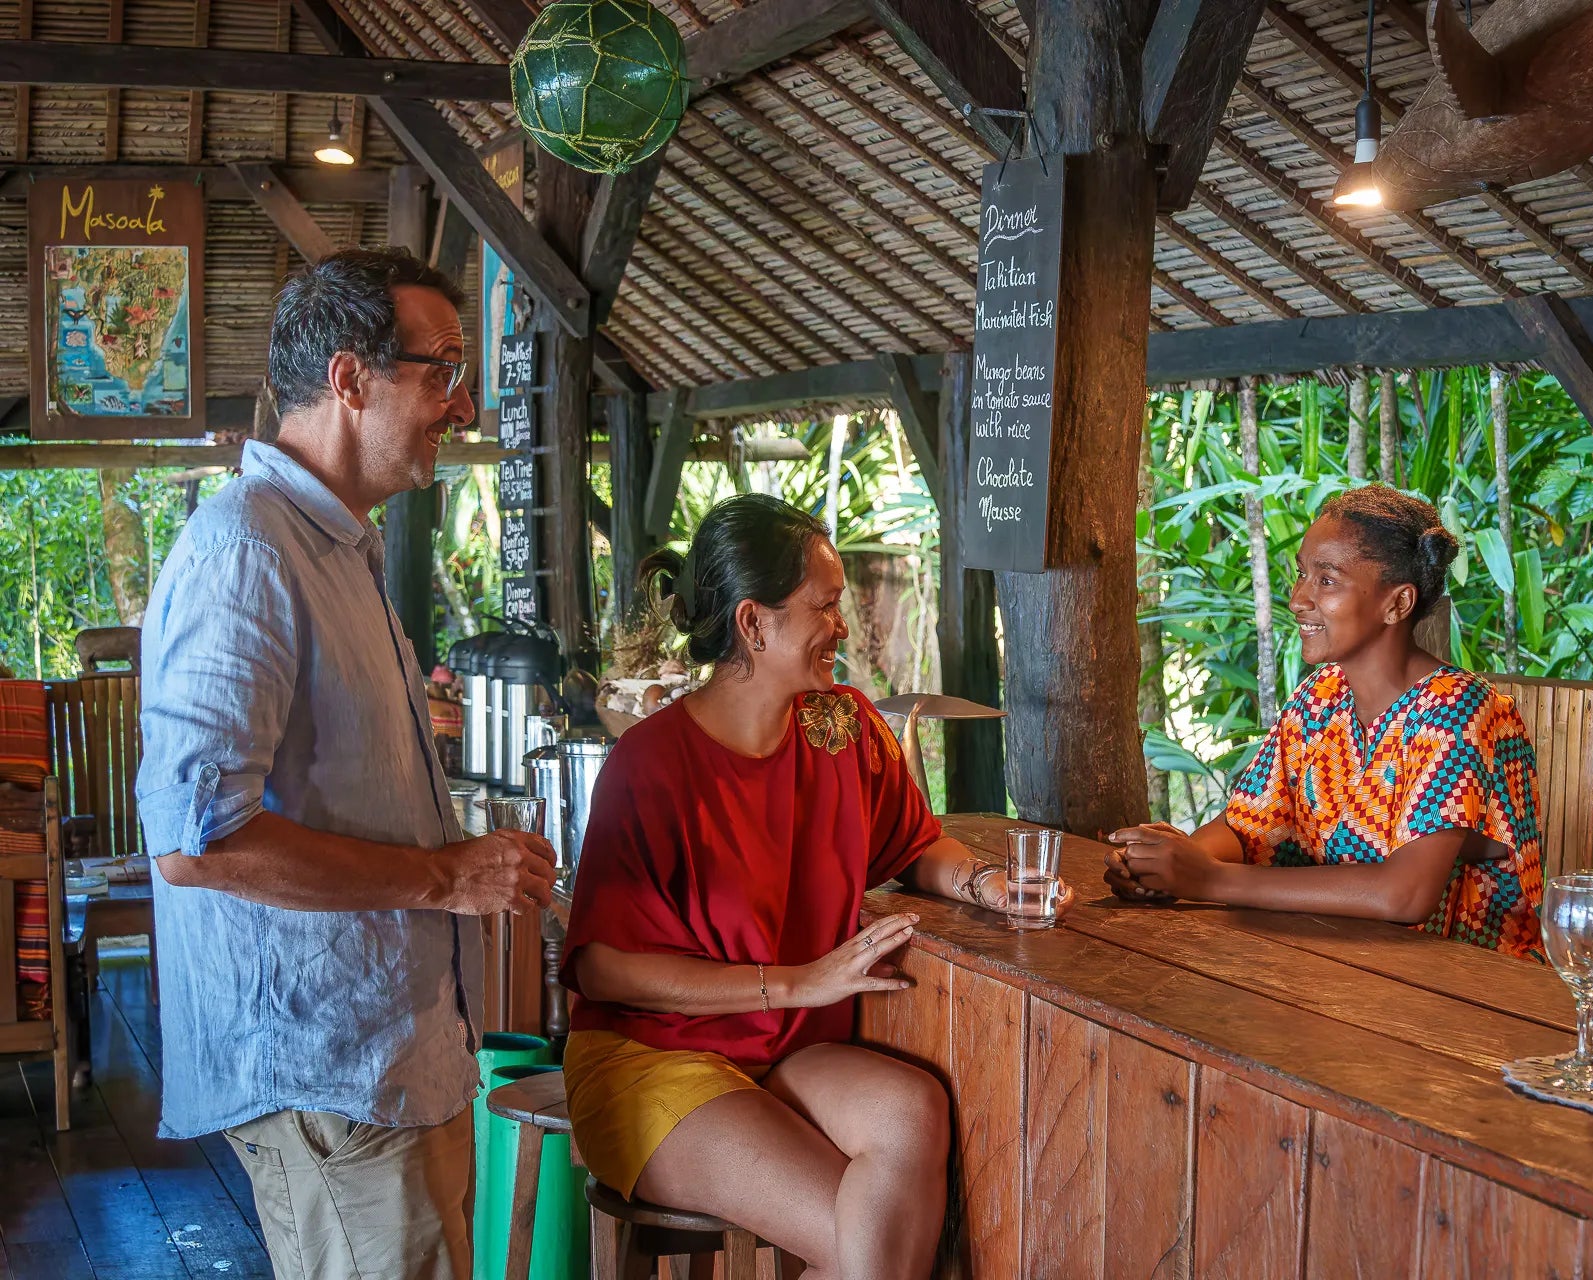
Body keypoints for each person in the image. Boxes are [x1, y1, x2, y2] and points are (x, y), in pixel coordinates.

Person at [136, 247, 559, 1279]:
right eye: (441, 370)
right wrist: (445, 875)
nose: (458, 405)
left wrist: (451, 846)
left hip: (385, 1059)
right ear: (350, 378)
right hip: (328, 1068)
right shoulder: (246, 549)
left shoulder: (333, 547)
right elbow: (199, 837)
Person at [561, 493, 1062, 1279]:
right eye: (824, 606)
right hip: (648, 1057)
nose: (844, 626)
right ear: (753, 624)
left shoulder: (843, 727)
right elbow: (603, 970)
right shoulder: (649, 766)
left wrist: (986, 882)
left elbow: (915, 842)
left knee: (912, 1110)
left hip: (781, 1044)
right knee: (877, 1241)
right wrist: (797, 983)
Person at [1106, 485, 1546, 961]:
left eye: (1327, 580)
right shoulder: (1320, 699)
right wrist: (1161, 864)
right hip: (1347, 971)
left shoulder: (1460, 709)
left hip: (1473, 994)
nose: (1297, 598)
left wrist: (1208, 878)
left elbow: (1403, 894)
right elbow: (1250, 827)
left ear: (1397, 604)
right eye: (1301, 574)